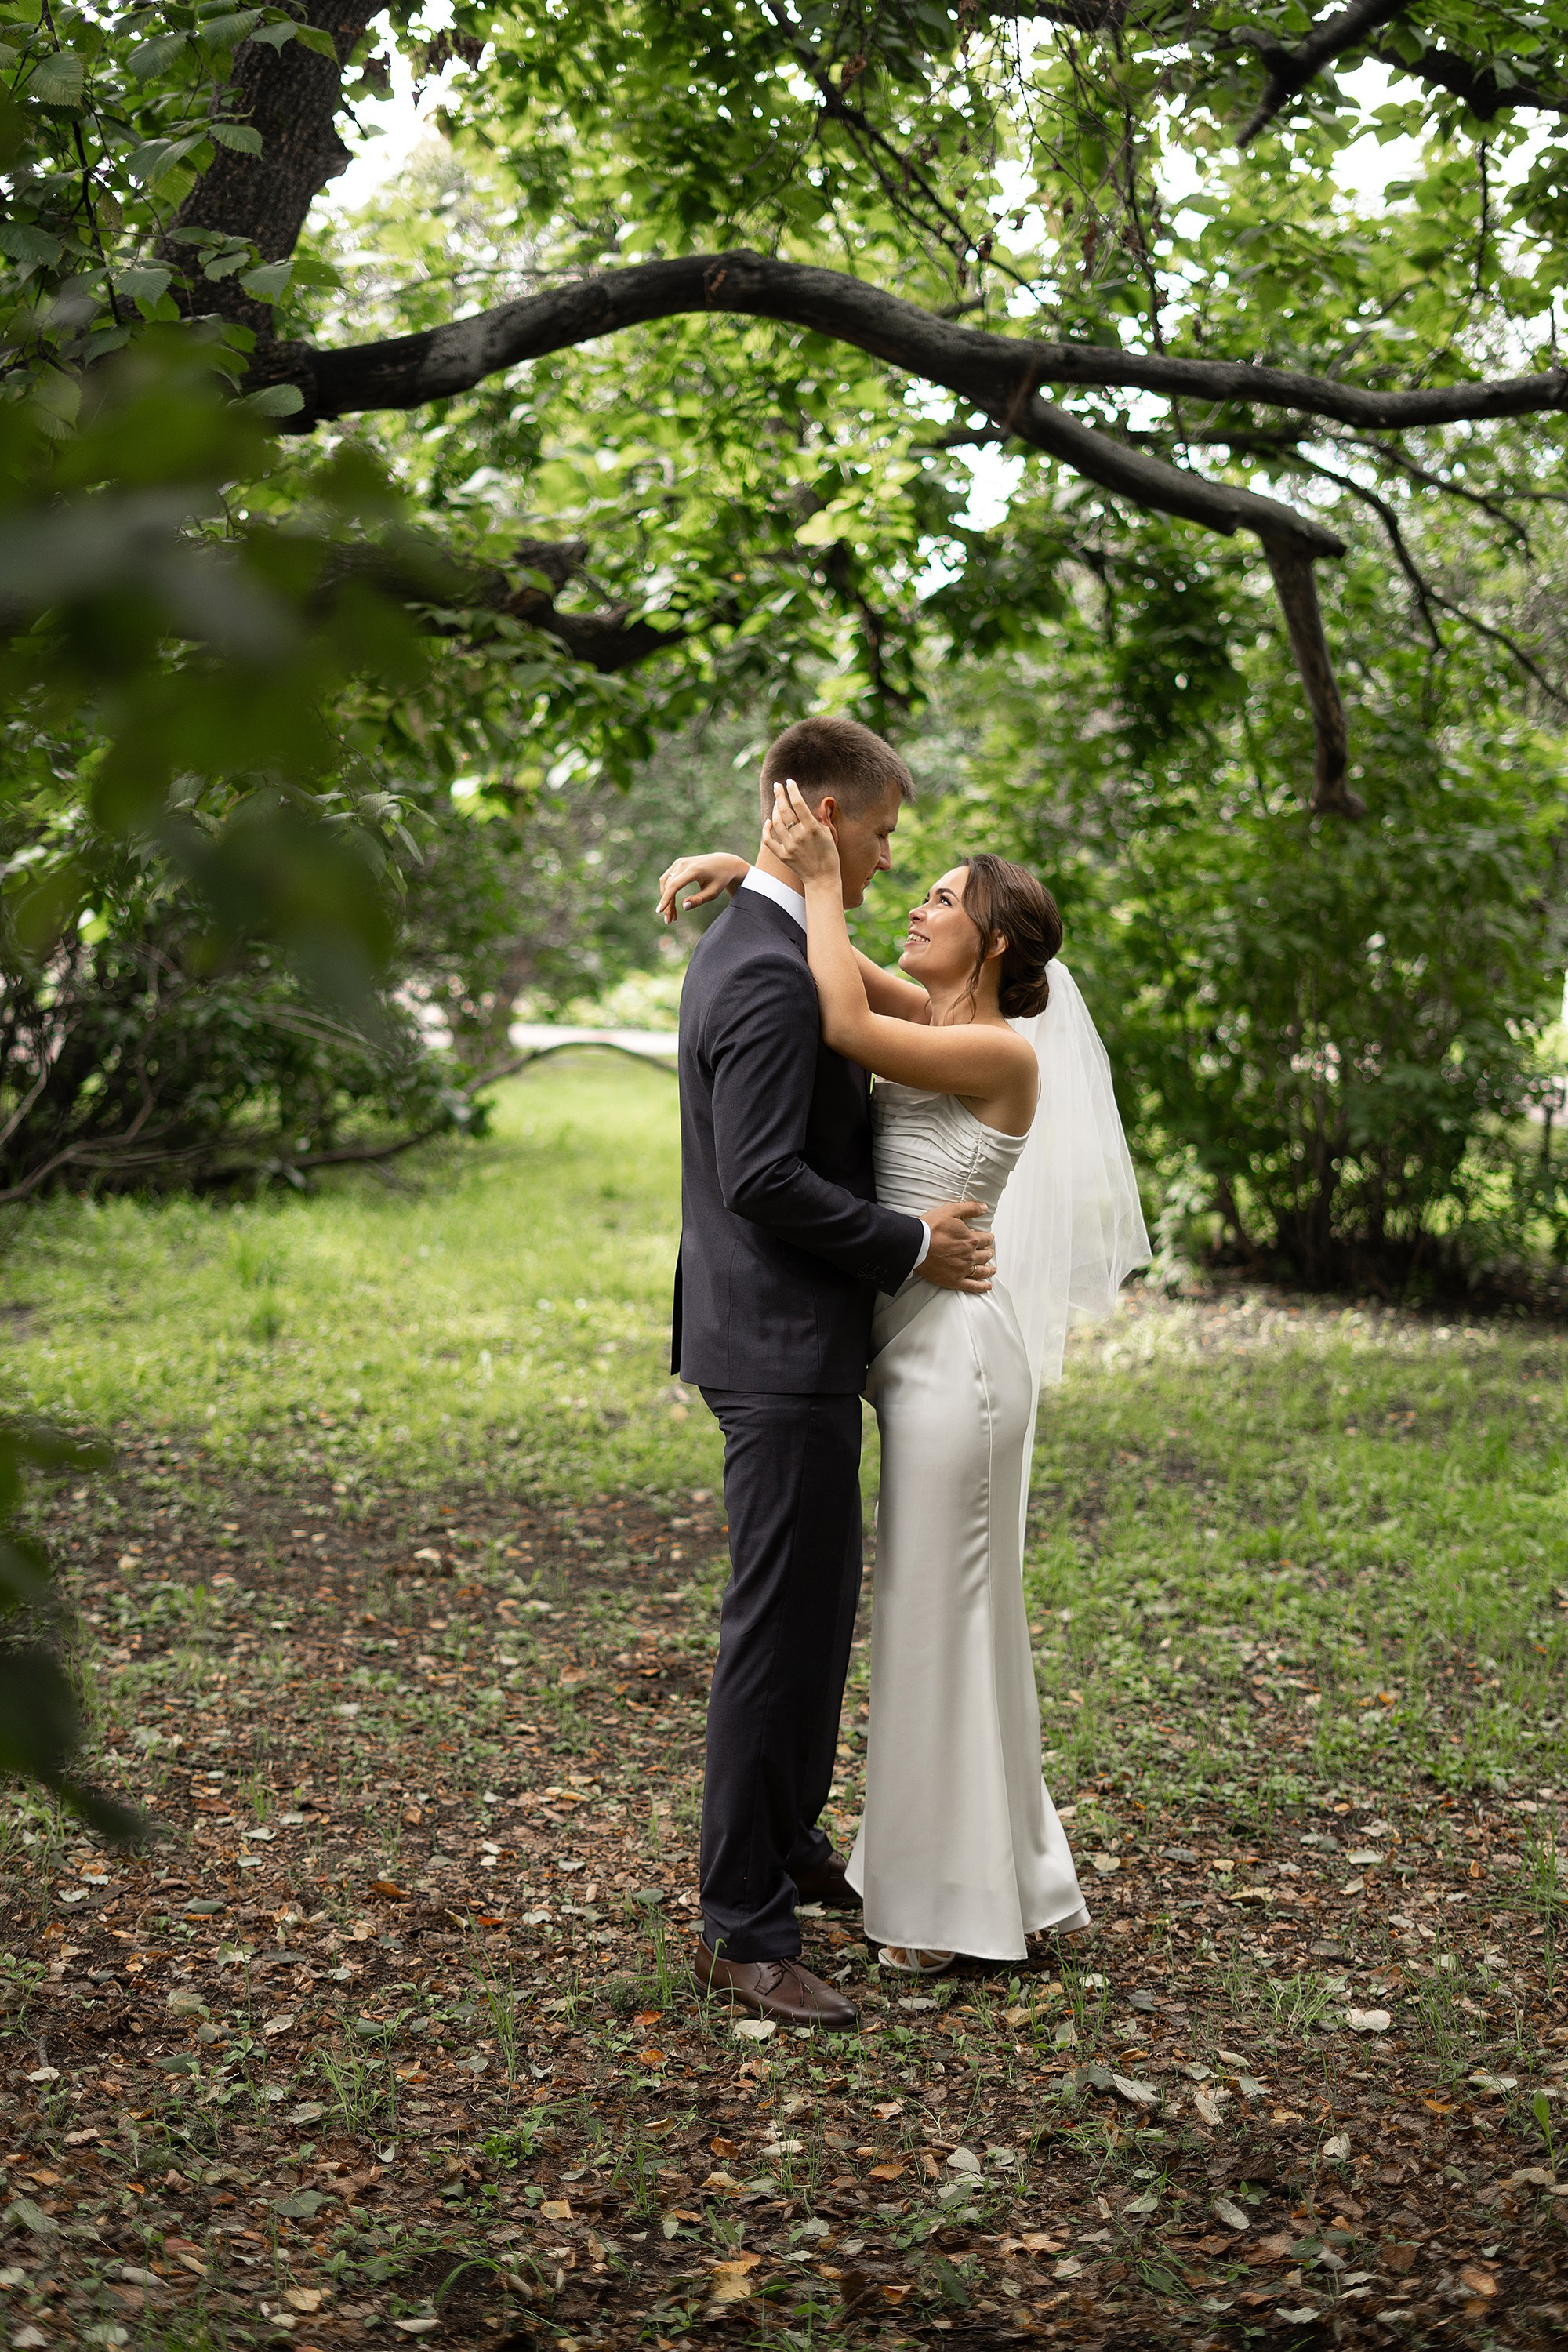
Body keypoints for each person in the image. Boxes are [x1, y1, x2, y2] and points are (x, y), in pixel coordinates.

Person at [661, 782, 1147, 1975]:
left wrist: (815, 881)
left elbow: (839, 1007)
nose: (913, 896)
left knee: (943, 1621)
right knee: (938, 1621)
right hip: (915, 1360)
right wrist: (766, 873)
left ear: (989, 943)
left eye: (939, 897)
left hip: (962, 1369)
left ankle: (947, 1900)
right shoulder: (937, 1014)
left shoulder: (989, 1047)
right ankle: (987, 1873)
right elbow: (837, 964)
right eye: (907, 876)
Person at [663, 716, 997, 2031]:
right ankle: (741, 1926)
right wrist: (913, 1242)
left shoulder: (774, 939)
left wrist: (767, 871)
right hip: (777, 1343)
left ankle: (796, 1843)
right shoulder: (759, 971)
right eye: (881, 831)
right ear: (822, 814)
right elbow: (760, 1177)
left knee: (812, 1615)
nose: (885, 853)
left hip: (793, 1340)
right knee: (774, 1631)